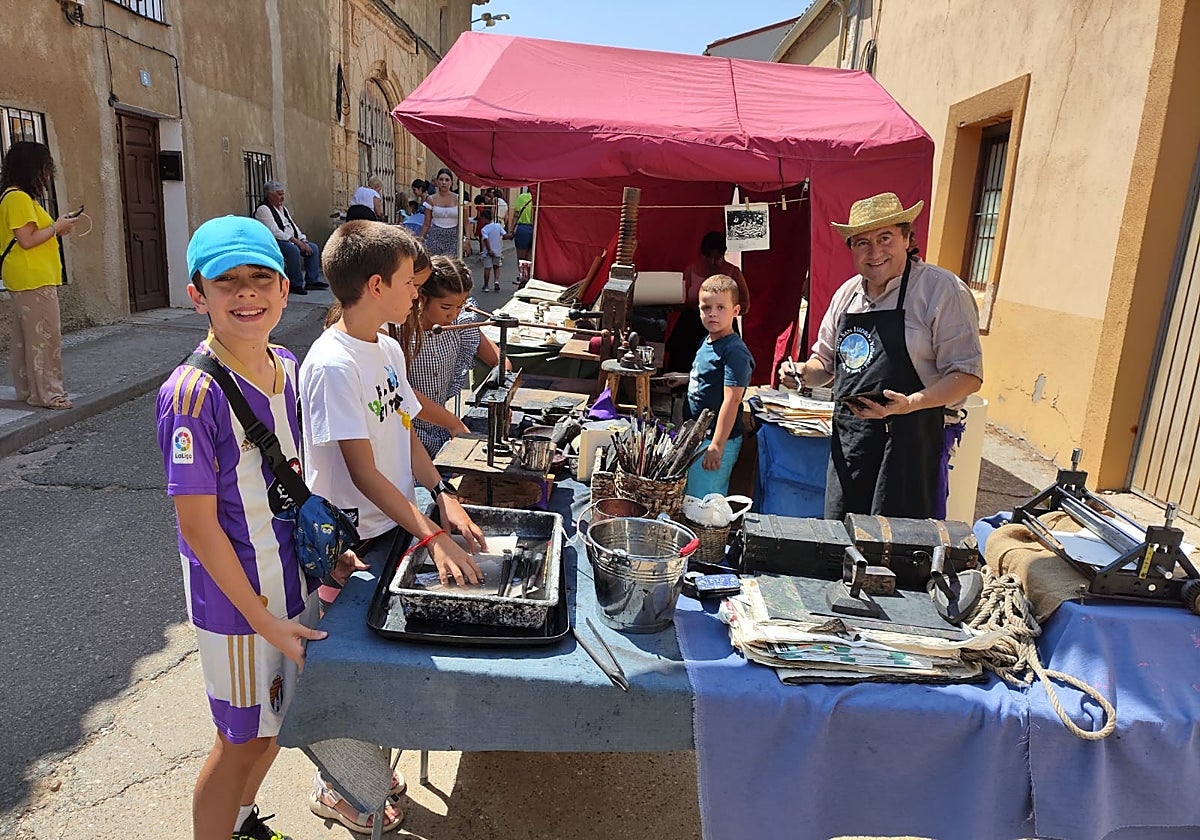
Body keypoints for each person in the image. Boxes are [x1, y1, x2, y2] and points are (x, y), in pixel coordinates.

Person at [156, 215, 334, 840]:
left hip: (290, 587)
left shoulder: (285, 365)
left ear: (286, 290)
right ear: (198, 295)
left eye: (262, 278)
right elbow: (199, 528)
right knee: (237, 741)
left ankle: (240, 825)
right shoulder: (192, 395)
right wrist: (263, 620)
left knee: (274, 729)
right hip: (239, 607)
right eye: (227, 282)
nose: (247, 294)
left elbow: (290, 481)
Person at [779, 192, 983, 520]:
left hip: (913, 445)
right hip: (852, 443)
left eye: (885, 237)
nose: (875, 252)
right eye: (862, 242)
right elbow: (825, 364)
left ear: (906, 238)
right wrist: (801, 373)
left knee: (898, 548)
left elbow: (967, 376)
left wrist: (912, 403)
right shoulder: (847, 295)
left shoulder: (941, 290)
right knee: (842, 542)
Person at [0, 141, 80, 410]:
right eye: (45, 169)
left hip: (23, 277)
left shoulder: (11, 196)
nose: (47, 175)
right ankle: (49, 394)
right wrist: (57, 227)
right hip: (34, 277)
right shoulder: (19, 198)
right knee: (45, 338)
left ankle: (29, 391)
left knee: (27, 339)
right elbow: (27, 239)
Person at [400, 255, 505, 459]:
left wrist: (500, 394)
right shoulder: (401, 332)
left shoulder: (460, 325)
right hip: (406, 437)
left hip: (441, 434)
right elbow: (403, 393)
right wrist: (453, 423)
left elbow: (500, 361)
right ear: (421, 297)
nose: (454, 315)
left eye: (460, 305)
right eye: (446, 307)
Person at [684, 274, 755, 498]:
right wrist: (682, 378)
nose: (712, 313)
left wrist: (716, 446)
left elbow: (732, 400)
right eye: (706, 307)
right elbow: (708, 376)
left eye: (721, 307)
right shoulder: (707, 340)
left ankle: (705, 536)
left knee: (704, 503)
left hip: (715, 441)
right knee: (690, 496)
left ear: (735, 311)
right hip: (696, 436)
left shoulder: (734, 351)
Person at [667, 231, 751, 374]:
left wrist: (723, 308)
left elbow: (745, 305)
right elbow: (678, 302)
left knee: (720, 366)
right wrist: (696, 305)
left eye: (717, 257)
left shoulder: (733, 272)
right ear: (703, 254)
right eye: (709, 257)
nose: (713, 262)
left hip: (722, 326)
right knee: (683, 363)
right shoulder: (692, 270)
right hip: (691, 324)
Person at [253, 180, 328, 295]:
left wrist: (303, 240)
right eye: (279, 194)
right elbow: (275, 231)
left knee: (313, 248)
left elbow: (293, 226)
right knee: (293, 251)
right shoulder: (263, 210)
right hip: (275, 241)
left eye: (283, 194)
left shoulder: (283, 209)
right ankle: (295, 283)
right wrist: (296, 242)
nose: (282, 197)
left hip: (291, 240)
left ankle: (312, 281)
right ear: (269, 196)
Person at [419, 168, 461, 257]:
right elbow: (427, 223)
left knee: (451, 266)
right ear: (437, 182)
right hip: (435, 237)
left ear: (451, 182)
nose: (444, 182)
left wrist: (467, 239)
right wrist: (421, 238)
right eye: (441, 179)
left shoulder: (459, 199)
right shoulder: (431, 199)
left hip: (453, 238)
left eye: (447, 180)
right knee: (435, 266)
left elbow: (465, 222)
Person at [479, 207, 506, 292]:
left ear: (484, 218)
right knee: (496, 267)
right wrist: (512, 235)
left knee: (487, 268)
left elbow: (486, 239)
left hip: (488, 252)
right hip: (498, 250)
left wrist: (489, 250)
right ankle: (496, 282)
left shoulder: (484, 229)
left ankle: (486, 285)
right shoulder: (498, 226)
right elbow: (505, 235)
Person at [510, 187, 535, 267]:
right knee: (530, 256)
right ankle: (528, 275)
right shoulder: (539, 197)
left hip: (523, 229)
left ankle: (522, 276)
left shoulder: (522, 197)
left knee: (521, 258)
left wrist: (511, 230)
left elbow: (516, 215)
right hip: (536, 229)